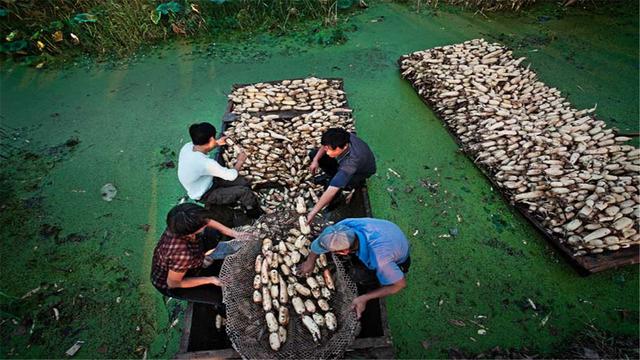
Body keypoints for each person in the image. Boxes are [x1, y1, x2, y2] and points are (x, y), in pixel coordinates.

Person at [297, 218, 410, 319]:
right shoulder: (345, 226)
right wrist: (310, 261)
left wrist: (364, 297)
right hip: (387, 230)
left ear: (344, 252)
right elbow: (321, 243)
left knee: (362, 276)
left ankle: (375, 283)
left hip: (397, 251)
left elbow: (399, 285)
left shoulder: (381, 260)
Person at [150, 203, 244, 309]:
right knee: (219, 297)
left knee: (212, 233)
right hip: (171, 283)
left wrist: (234, 233)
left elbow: (207, 221)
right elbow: (173, 283)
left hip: (182, 264)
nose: (207, 222)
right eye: (203, 223)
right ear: (192, 231)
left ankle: (201, 262)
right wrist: (211, 279)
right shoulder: (182, 254)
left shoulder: (178, 223)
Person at [178, 122, 261, 218]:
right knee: (244, 192)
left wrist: (217, 143)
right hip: (205, 193)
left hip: (207, 181)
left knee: (243, 182)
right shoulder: (205, 163)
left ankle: (232, 201)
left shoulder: (187, 147)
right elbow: (231, 176)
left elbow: (204, 148)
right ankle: (253, 214)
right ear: (211, 139)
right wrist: (240, 161)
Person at [307, 128, 376, 223]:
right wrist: (315, 160)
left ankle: (334, 202)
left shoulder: (351, 163)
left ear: (344, 147)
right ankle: (332, 175)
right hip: (343, 161)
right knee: (314, 154)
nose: (327, 152)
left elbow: (331, 191)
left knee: (334, 186)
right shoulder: (340, 138)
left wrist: (313, 212)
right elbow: (325, 146)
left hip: (360, 172)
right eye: (327, 148)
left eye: (330, 150)